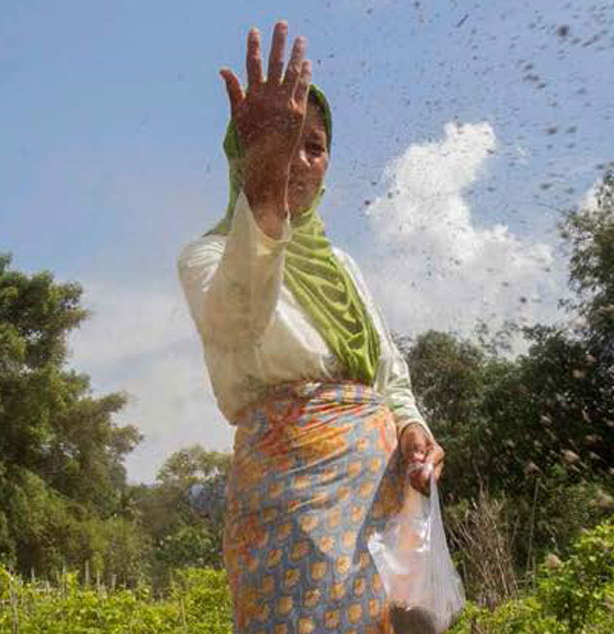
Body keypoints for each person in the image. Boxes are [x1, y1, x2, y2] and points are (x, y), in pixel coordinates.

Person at [177, 20, 447, 634]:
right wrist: (264, 186)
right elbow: (241, 319)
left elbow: (388, 374)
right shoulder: (208, 256)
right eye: (283, 140)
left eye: (314, 145)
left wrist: (412, 429)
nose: (299, 159)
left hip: (377, 495)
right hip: (285, 506)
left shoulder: (342, 267)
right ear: (242, 153)